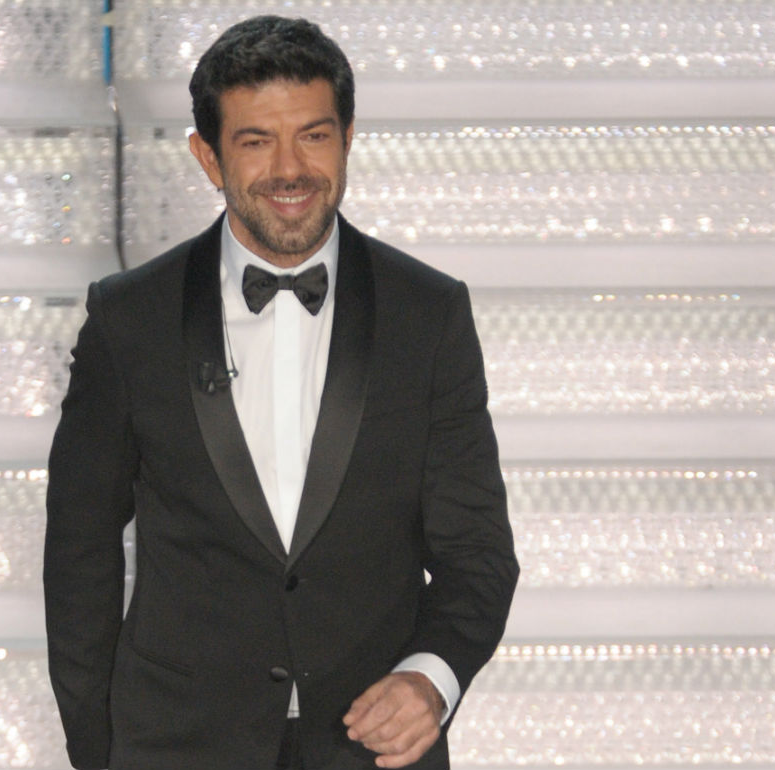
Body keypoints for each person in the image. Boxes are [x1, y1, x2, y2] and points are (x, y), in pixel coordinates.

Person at [44, 15, 518, 770]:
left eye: (314, 136)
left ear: (348, 138)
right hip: (174, 746)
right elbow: (80, 553)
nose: (289, 168)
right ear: (208, 156)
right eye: (256, 141)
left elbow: (478, 554)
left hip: (371, 750)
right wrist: (96, 753)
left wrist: (431, 679)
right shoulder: (128, 319)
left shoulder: (429, 314)